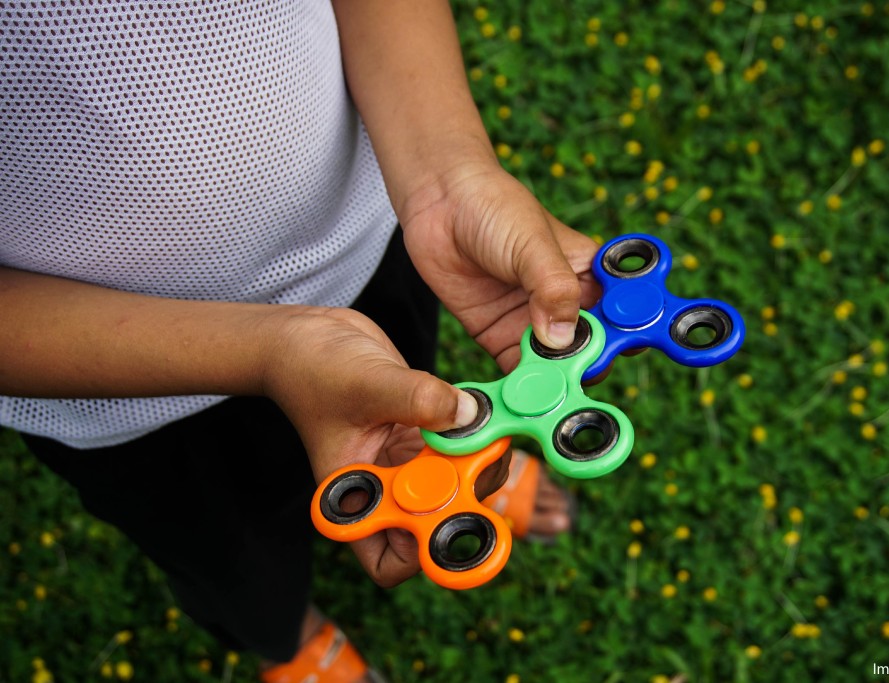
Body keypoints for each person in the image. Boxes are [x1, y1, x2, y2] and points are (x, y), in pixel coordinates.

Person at [0, 1, 598, 681]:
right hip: (119, 390)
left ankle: (457, 466)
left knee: (418, 411)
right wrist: (271, 351)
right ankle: (286, 635)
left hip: (361, 242)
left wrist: (445, 175)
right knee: (233, 553)